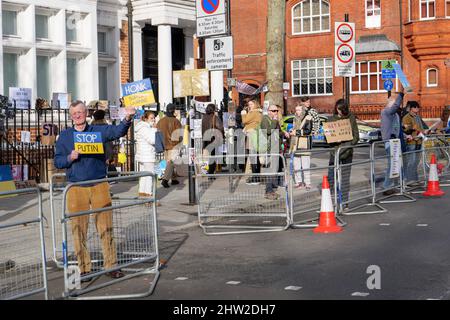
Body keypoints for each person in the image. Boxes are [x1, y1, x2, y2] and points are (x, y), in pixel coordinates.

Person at [54, 100, 136, 280]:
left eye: (80, 112)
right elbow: (57, 161)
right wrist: (69, 157)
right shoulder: (65, 136)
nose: (77, 116)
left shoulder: (98, 131)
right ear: (70, 116)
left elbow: (117, 132)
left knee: (106, 227)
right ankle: (84, 269)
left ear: (86, 113)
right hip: (76, 188)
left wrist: (127, 118)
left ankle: (111, 266)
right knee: (78, 230)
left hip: (99, 184)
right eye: (74, 113)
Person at [327, 99, 359, 208]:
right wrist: (333, 139)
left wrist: (346, 146)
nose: (340, 112)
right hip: (334, 153)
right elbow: (326, 138)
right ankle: (329, 202)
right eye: (339, 110)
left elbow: (356, 137)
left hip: (347, 153)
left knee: (345, 178)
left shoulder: (351, 118)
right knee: (331, 178)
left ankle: (344, 202)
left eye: (342, 110)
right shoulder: (331, 119)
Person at [380, 91, 407, 195]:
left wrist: (405, 136)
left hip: (395, 141)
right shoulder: (386, 112)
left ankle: (392, 185)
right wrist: (400, 95)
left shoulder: (395, 115)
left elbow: (397, 129)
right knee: (392, 164)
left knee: (395, 164)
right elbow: (395, 107)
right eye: (394, 104)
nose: (397, 106)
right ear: (389, 104)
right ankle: (386, 186)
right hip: (390, 142)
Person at [260, 105, 289, 200]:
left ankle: (272, 189)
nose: (275, 112)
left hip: (276, 147)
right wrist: (275, 121)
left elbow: (278, 132)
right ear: (268, 111)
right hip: (269, 148)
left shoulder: (274, 120)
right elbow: (268, 131)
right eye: (273, 110)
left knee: (275, 170)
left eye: (276, 110)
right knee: (270, 170)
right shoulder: (265, 119)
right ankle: (268, 191)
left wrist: (284, 133)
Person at [402, 101, 430, 183]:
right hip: (411, 142)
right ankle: (408, 180)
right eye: (416, 107)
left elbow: (421, 127)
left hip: (419, 141)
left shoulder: (417, 117)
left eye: (418, 107)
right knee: (411, 161)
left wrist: (425, 131)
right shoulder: (406, 117)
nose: (417, 109)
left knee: (416, 162)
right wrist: (411, 128)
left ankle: (414, 179)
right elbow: (405, 130)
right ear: (411, 108)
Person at [156, 103, 182, 188]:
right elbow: (179, 135)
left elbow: (157, 132)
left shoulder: (161, 121)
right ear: (173, 110)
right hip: (173, 145)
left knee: (169, 162)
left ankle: (174, 179)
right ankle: (165, 180)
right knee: (171, 162)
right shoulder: (176, 121)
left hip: (164, 145)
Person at [135, 111, 158, 198]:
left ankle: (142, 194)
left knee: (144, 175)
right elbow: (152, 140)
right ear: (146, 119)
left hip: (143, 155)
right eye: (151, 118)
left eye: (154, 118)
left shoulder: (141, 127)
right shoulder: (146, 128)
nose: (153, 120)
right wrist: (154, 129)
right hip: (147, 155)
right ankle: (148, 195)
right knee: (149, 175)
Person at [241, 99, 263, 185]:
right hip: (255, 134)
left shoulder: (254, 112)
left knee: (253, 156)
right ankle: (256, 177)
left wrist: (243, 113)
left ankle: (255, 178)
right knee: (255, 156)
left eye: (251, 104)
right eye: (249, 104)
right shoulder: (257, 112)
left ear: (255, 105)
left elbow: (244, 121)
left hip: (252, 134)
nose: (250, 106)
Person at [91, 109, 116, 176]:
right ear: (103, 118)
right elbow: (108, 144)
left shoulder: (90, 128)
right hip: (103, 155)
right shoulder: (106, 128)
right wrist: (109, 157)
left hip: (93, 156)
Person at [202, 103, 224, 176]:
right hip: (213, 139)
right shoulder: (215, 117)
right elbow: (220, 128)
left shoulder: (204, 117)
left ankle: (207, 171)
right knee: (213, 156)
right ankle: (211, 173)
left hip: (206, 139)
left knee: (208, 155)